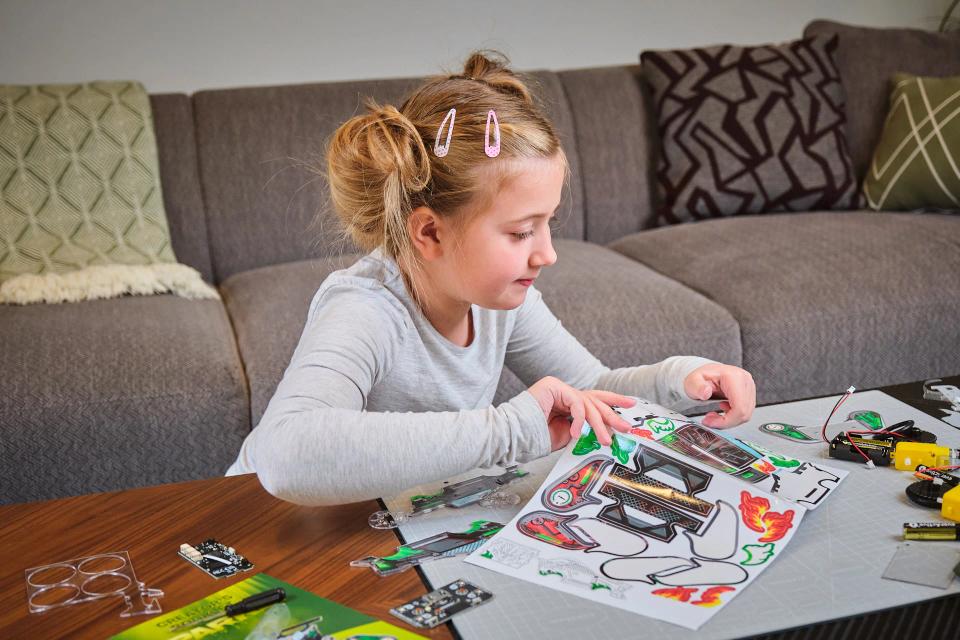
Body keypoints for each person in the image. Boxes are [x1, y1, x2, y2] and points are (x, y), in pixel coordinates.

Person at [226, 51, 756, 506]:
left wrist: (683, 380)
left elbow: (590, 391)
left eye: (547, 225)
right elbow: (287, 452)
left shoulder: (501, 303)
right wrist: (509, 430)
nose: (547, 254)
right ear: (429, 232)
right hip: (259, 527)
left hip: (379, 524)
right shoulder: (365, 309)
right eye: (522, 232)